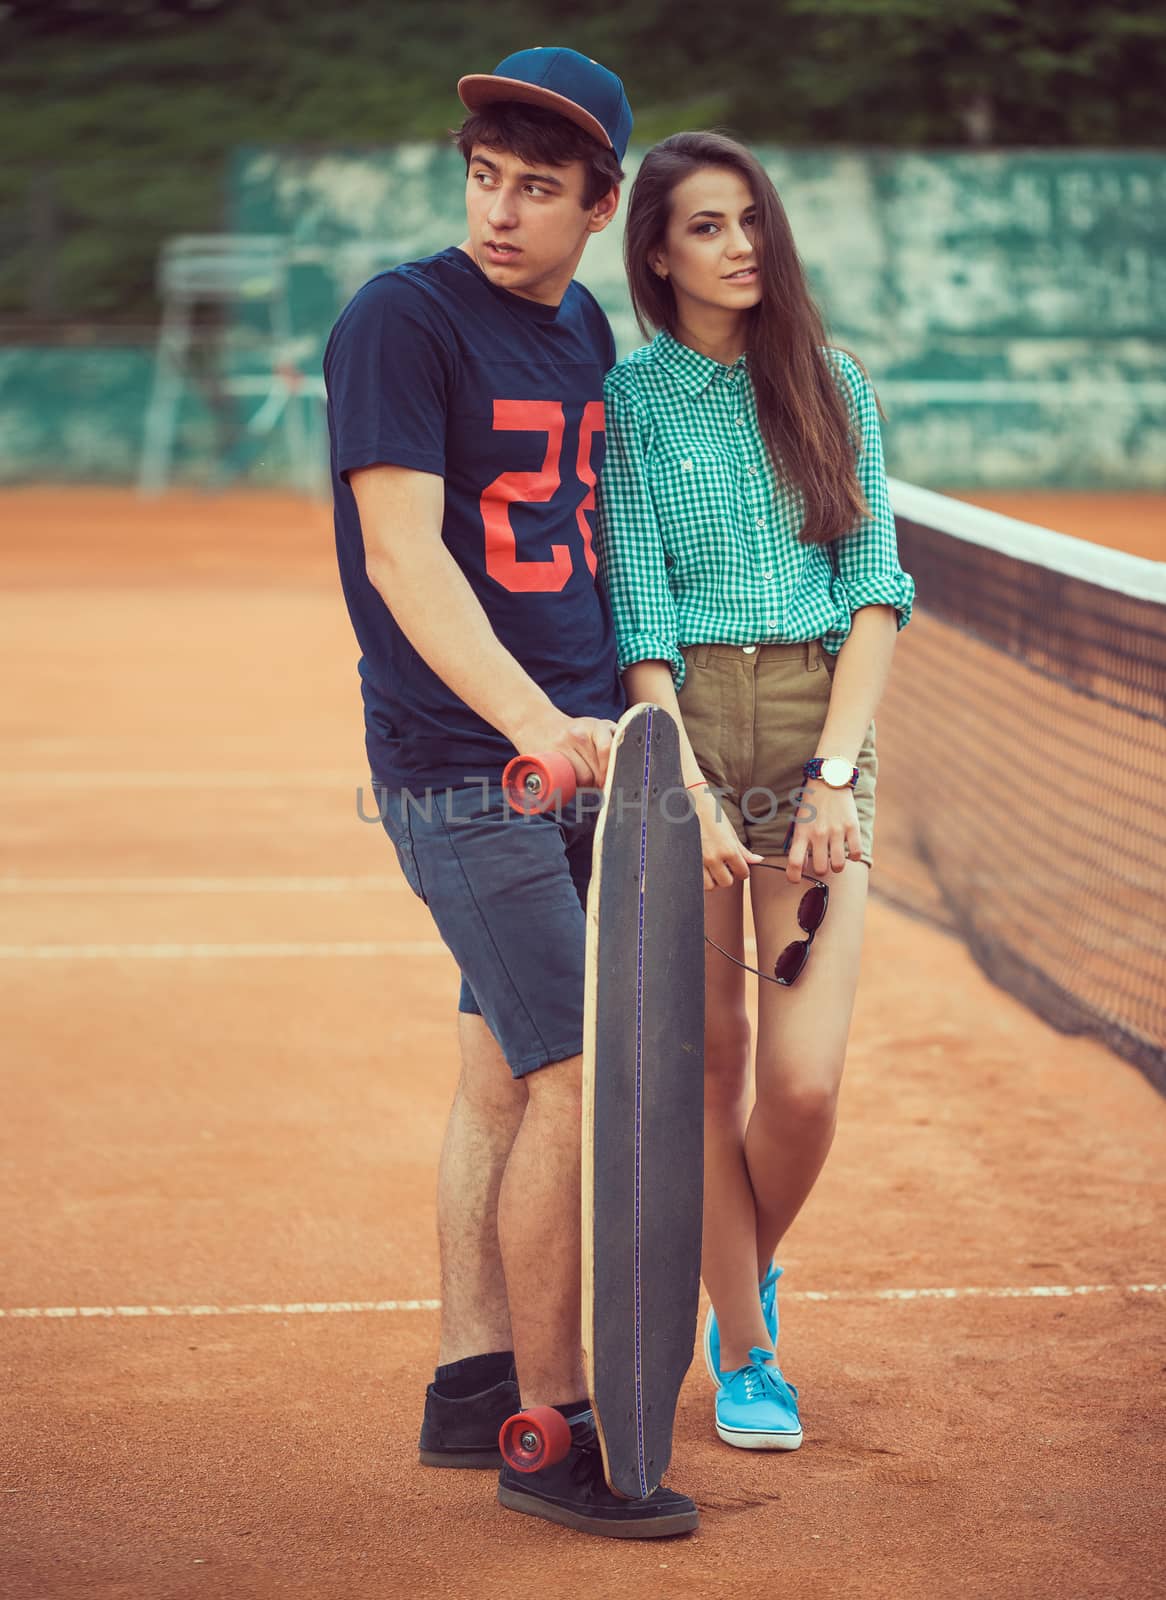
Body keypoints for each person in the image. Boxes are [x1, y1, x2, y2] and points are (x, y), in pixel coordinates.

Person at [322, 50, 698, 1539]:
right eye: (484, 177)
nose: (500, 211)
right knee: (570, 1077)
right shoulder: (399, 322)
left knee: (500, 1073)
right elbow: (405, 560)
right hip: (463, 770)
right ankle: (563, 1426)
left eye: (539, 188)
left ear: (599, 209)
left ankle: (470, 1384)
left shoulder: (587, 320)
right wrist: (543, 720)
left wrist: (612, 714)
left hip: (582, 755)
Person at [595, 130, 915, 1452]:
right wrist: (685, 788)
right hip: (680, 738)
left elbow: (876, 587)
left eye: (749, 223)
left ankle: (739, 1266)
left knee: (798, 1088)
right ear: (657, 255)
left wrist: (832, 777)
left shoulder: (829, 382)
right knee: (705, 1069)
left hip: (811, 723)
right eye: (707, 228)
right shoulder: (625, 402)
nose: (740, 248)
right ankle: (745, 1349)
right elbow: (638, 614)